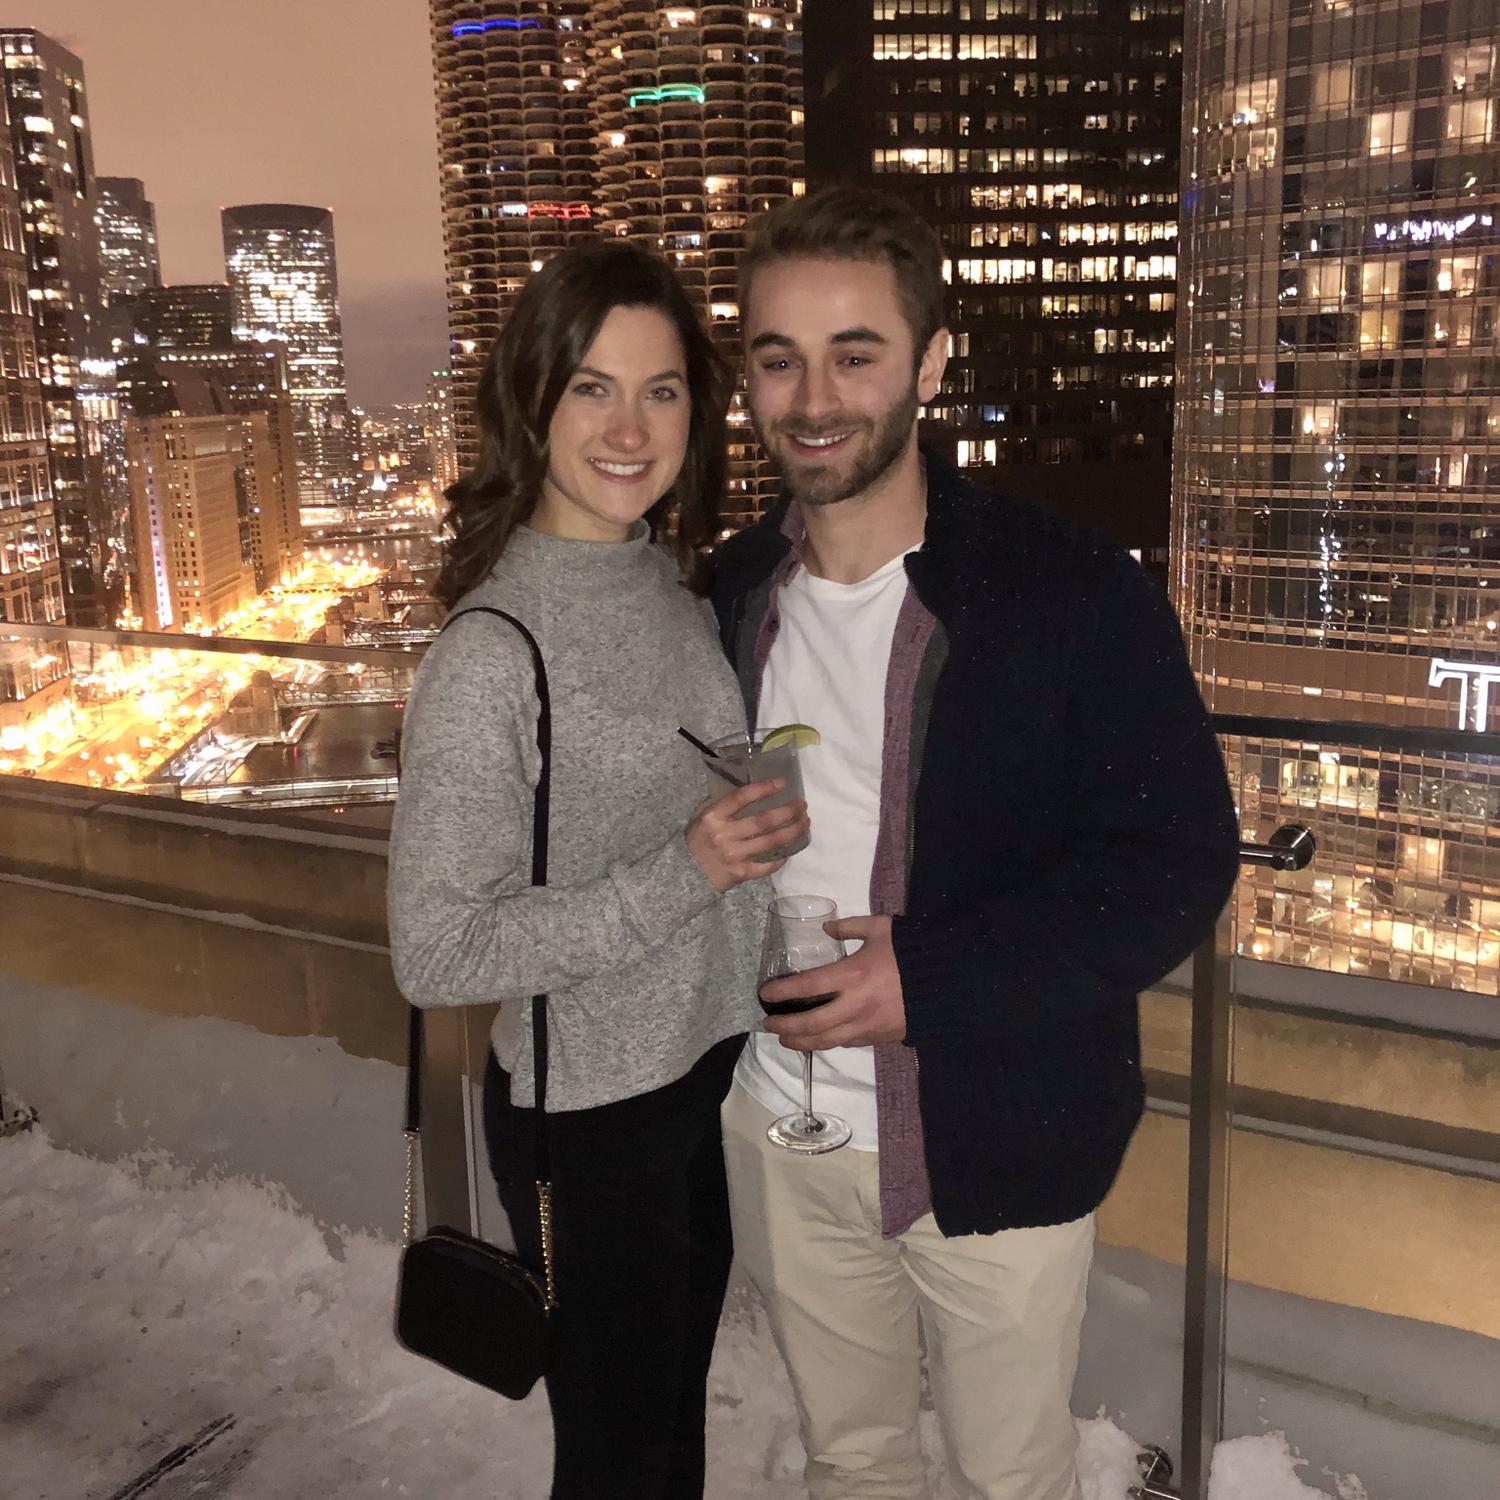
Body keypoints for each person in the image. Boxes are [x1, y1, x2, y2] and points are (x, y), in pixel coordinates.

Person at [709, 185, 1240, 1500]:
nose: (813, 396)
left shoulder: (1069, 593)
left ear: (933, 362)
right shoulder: (727, 594)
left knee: (1014, 1476)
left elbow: (1173, 862)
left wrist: (927, 980)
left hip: (998, 1135)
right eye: (778, 359)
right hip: (784, 1130)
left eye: (855, 353)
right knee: (854, 1462)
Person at [386, 238, 808, 1500]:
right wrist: (686, 871)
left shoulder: (671, 588)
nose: (631, 427)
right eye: (592, 388)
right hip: (590, 1119)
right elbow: (437, 948)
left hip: (698, 1078)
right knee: (621, 1459)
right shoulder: (490, 651)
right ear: (534, 399)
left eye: (662, 389)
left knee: (669, 1425)